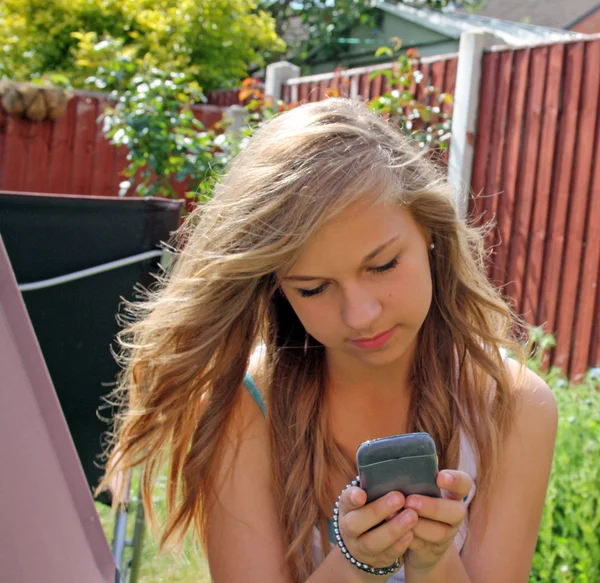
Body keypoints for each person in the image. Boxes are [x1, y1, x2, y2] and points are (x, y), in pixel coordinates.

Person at [98, 98, 558, 583]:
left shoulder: (514, 408)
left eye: (382, 265)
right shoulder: (247, 407)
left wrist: (434, 560)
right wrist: (358, 563)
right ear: (276, 286)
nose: (360, 315)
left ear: (430, 232)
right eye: (313, 288)